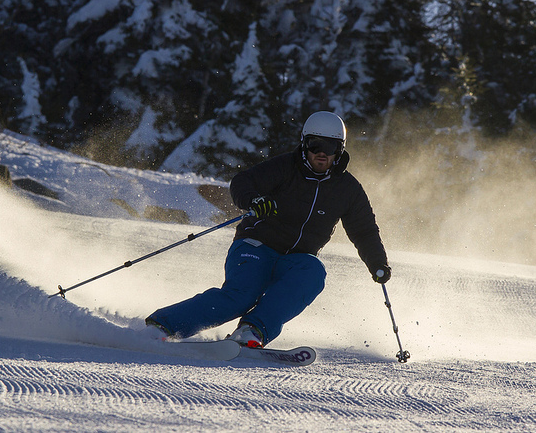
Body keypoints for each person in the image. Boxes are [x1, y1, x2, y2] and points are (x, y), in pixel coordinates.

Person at [145, 111, 391, 348]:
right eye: (316, 145)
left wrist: (377, 263)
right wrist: (254, 200)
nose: (322, 154)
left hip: (295, 260)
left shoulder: (347, 189)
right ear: (304, 143)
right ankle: (164, 326)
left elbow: (364, 231)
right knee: (242, 296)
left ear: (340, 150)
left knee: (314, 271)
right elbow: (243, 182)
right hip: (256, 246)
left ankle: (252, 330)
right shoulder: (285, 167)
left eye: (331, 148)